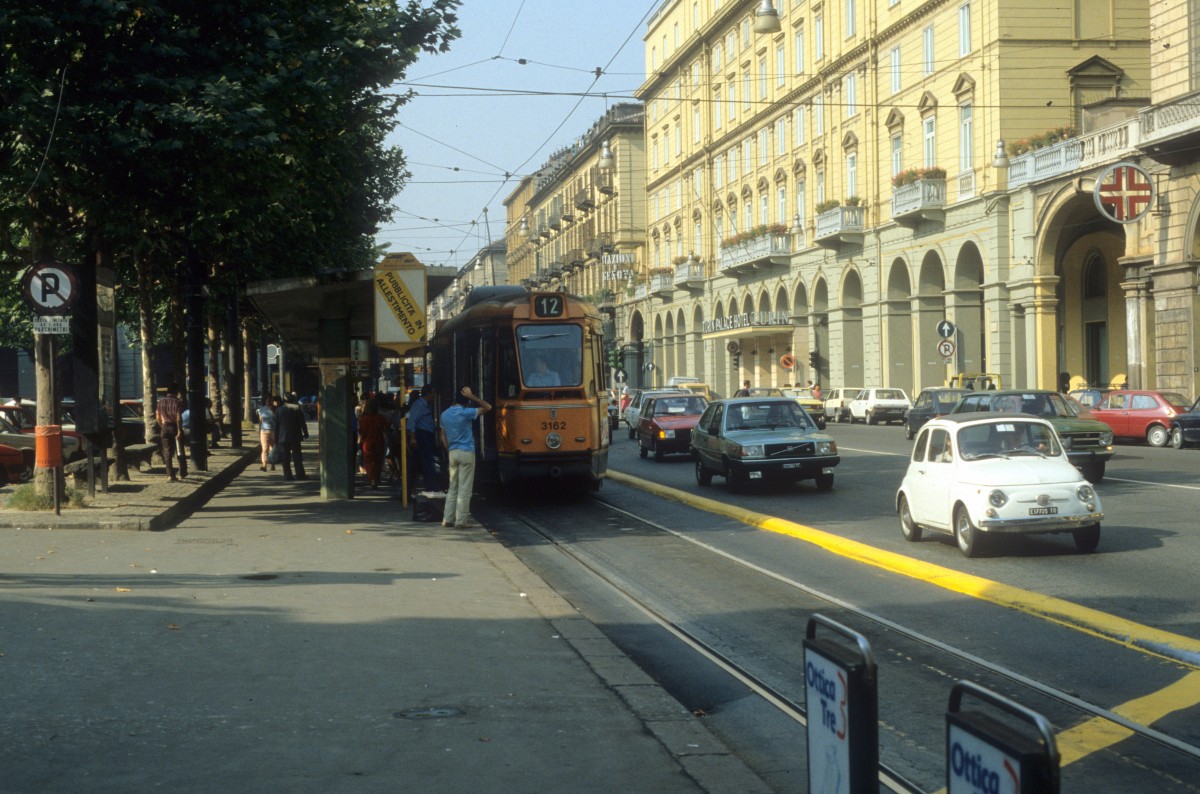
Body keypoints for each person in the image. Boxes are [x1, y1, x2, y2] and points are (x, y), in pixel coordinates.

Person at [438, 385, 491, 528]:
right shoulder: (466, 412)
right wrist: (472, 396)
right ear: (465, 400)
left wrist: (449, 449)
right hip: (466, 452)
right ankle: (461, 521)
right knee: (465, 488)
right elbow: (488, 407)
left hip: (452, 453)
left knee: (452, 487)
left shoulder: (444, 415)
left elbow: (442, 437)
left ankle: (447, 519)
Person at [406, 385, 439, 492]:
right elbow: (412, 421)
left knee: (416, 465)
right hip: (422, 437)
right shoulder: (419, 405)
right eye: (433, 393)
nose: (434, 396)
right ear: (428, 393)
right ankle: (431, 488)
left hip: (425, 436)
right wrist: (412, 438)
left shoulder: (425, 405)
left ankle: (408, 490)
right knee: (427, 464)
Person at [275, 392, 309, 480]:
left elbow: (276, 426)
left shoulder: (279, 410)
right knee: (297, 456)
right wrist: (305, 433)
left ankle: (287, 475)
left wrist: (275, 439)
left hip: (282, 437)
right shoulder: (297, 408)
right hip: (295, 436)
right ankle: (300, 474)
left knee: (285, 458)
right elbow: (302, 422)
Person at [357, 397, 388, 489]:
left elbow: (362, 432)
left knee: (369, 462)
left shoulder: (363, 419)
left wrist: (360, 441)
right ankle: (376, 478)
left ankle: (371, 479)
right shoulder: (381, 418)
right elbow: (386, 429)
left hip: (367, 442)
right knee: (378, 462)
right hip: (379, 442)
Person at [155, 383, 183, 482]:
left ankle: (170, 475)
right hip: (174, 427)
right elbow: (178, 417)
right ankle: (182, 472)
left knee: (167, 452)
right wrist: (179, 430)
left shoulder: (160, 402)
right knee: (179, 450)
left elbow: (157, 416)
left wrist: (162, 425)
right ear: (176, 392)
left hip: (164, 427)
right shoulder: (177, 402)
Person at [257, 394, 278, 471]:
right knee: (265, 448)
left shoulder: (276, 409)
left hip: (273, 431)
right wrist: (259, 432)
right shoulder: (261, 409)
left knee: (273, 448)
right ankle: (264, 465)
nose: (269, 401)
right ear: (265, 401)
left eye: (270, 400)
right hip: (264, 431)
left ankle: (272, 464)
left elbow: (277, 420)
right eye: (267, 400)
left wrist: (273, 410)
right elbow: (260, 421)